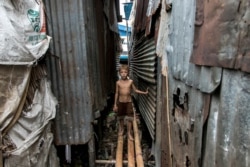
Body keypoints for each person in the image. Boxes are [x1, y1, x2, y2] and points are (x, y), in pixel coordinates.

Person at [113, 64, 148, 140]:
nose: (123, 74)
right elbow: (116, 93)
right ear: (119, 73)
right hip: (121, 102)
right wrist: (115, 104)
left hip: (128, 102)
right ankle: (122, 130)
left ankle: (129, 133)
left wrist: (144, 93)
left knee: (130, 118)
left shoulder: (130, 82)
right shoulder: (118, 83)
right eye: (122, 72)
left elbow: (135, 90)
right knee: (120, 117)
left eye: (125, 72)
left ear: (128, 73)